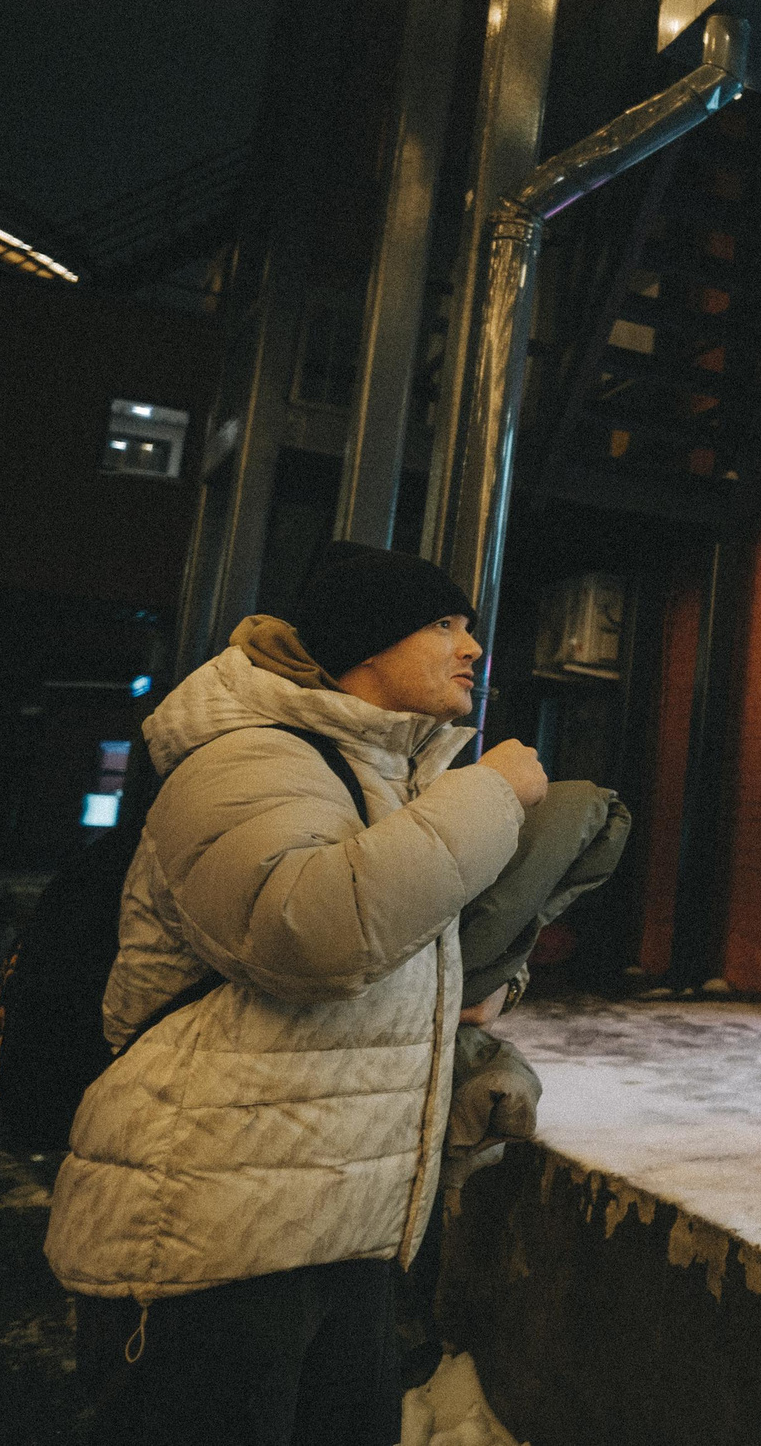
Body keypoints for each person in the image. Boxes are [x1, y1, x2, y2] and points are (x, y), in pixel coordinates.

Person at [47, 544, 548, 1445]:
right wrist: (492, 796)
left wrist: (470, 1025)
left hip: (333, 1226)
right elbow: (307, 932)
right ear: (366, 639)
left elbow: (376, 956)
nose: (472, 646)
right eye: (443, 623)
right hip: (214, 1240)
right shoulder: (249, 756)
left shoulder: (384, 779)